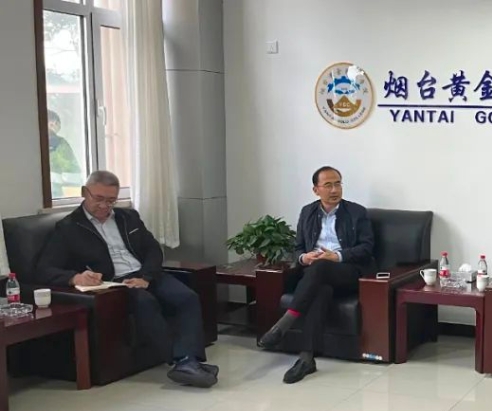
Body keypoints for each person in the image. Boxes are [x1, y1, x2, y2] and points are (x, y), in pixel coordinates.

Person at [36, 170, 217, 388]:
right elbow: (44, 269)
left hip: (145, 274)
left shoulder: (128, 217)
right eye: (99, 198)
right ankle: (183, 361)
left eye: (111, 200)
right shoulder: (69, 227)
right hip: (116, 283)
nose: (104, 206)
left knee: (187, 297)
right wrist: (75, 277)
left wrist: (146, 277)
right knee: (146, 302)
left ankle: (188, 362)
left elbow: (153, 250)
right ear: (85, 192)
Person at [258, 166, 376, 383]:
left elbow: (366, 248)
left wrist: (336, 256)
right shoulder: (307, 212)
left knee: (321, 267)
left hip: (348, 271)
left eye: (338, 183)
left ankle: (284, 323)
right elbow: (298, 248)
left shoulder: (357, 212)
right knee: (320, 290)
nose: (334, 189)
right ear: (316, 190)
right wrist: (304, 258)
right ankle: (306, 358)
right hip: (316, 275)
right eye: (328, 185)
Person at [47, 109, 82, 199]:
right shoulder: (60, 143)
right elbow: (71, 168)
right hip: (58, 189)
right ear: (53, 123)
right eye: (59, 124)